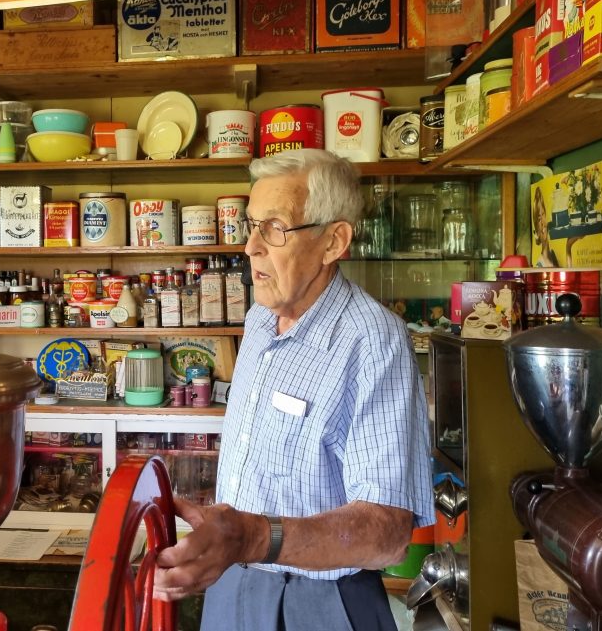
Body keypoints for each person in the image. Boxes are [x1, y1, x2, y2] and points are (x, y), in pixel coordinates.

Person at [154, 149, 435, 631]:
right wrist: (225, 533)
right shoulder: (259, 319)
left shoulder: (373, 341)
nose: (251, 247)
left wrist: (252, 537)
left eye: (274, 228)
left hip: (320, 602)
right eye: (251, 225)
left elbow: (388, 533)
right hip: (233, 583)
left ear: (333, 241)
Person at [532, 187, 559, 267]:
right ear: (536, 233)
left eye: (543, 214)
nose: (543, 222)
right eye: (539, 219)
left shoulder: (553, 255)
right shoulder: (539, 265)